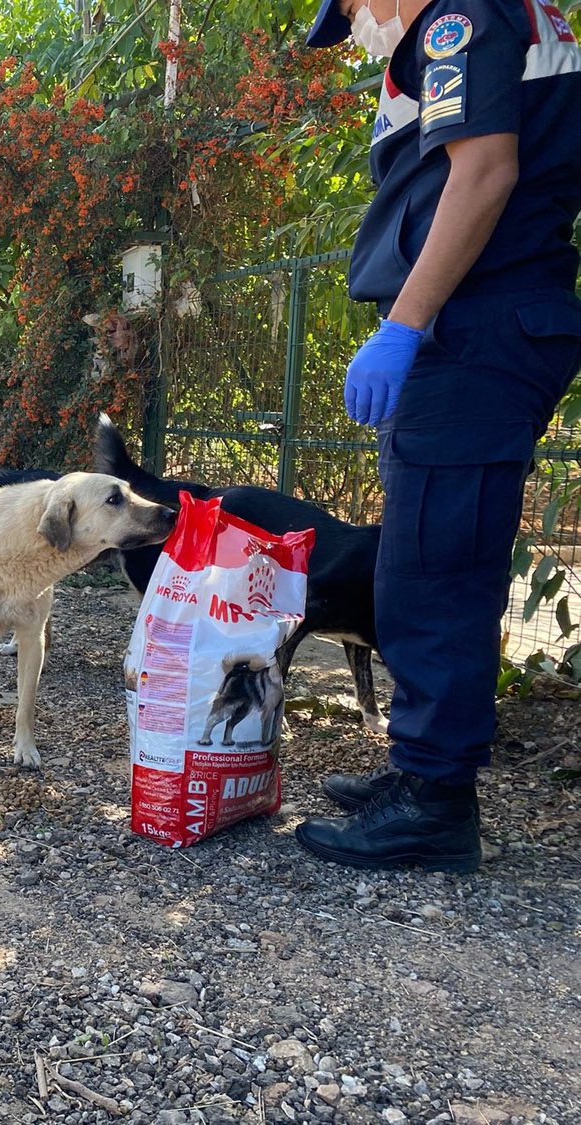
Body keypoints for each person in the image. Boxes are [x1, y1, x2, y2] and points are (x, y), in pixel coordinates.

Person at [295, 0, 581, 870]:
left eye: (354, 12)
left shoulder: (461, 17)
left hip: (476, 327)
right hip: (476, 326)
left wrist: (406, 325)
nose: (362, 30)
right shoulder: (490, 18)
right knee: (421, 555)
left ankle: (435, 801)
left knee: (439, 561)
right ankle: (419, 771)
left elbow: (484, 171)